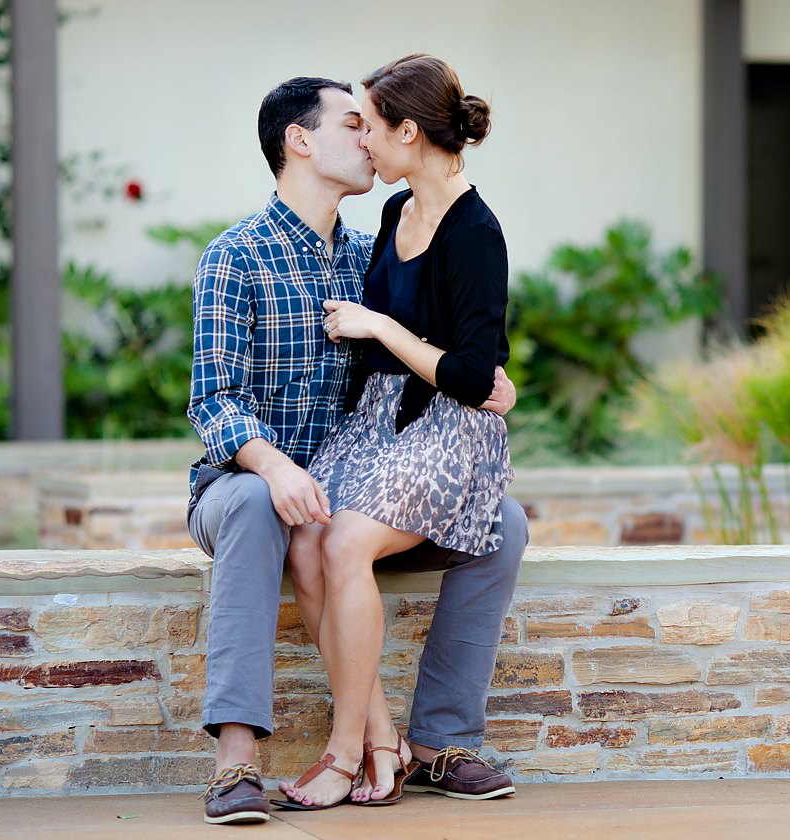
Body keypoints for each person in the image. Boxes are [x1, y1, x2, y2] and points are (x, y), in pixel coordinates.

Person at [187, 74, 525, 825]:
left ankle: (439, 741)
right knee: (257, 505)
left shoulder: (370, 253)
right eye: (352, 124)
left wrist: (493, 384)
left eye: (371, 123)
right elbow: (212, 400)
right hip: (249, 480)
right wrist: (275, 468)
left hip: (360, 475)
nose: (367, 138)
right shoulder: (234, 257)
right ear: (299, 142)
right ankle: (238, 760)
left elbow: (450, 345)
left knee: (505, 524)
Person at [276, 53, 520, 811]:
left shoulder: (477, 233)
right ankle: (384, 738)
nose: (365, 143)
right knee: (313, 537)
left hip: (447, 432)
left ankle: (343, 754)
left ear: (410, 131)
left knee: (345, 543)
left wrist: (377, 323)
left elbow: (477, 381)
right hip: (377, 422)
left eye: (372, 127)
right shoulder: (392, 214)